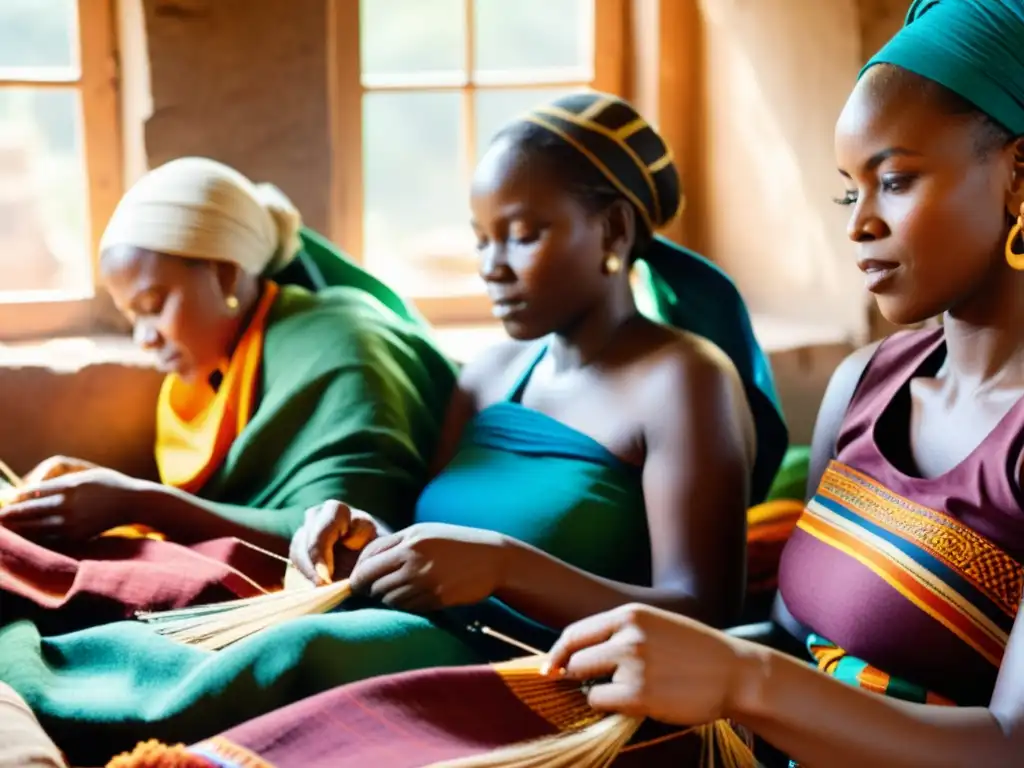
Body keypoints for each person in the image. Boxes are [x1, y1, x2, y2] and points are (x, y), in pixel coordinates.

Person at [0, 95, 789, 766]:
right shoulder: (489, 372)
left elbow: (705, 615)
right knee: (146, 632)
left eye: (524, 233)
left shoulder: (685, 380)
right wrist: (353, 532)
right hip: (426, 624)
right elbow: (418, 533)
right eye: (481, 237)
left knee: (298, 656)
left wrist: (506, 568)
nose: (493, 265)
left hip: (539, 667)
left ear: (614, 233)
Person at [535, 1, 1024, 766]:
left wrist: (739, 676)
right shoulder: (865, 384)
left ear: (1020, 175)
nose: (859, 223)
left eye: (894, 180)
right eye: (847, 191)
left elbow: (1009, 746)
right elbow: (799, 651)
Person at [0, 157, 456, 630]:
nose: (145, 337)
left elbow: (342, 543)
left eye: (153, 306)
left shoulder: (342, 348)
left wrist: (136, 501)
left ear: (225, 276)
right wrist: (99, 493)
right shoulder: (221, 364)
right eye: (131, 316)